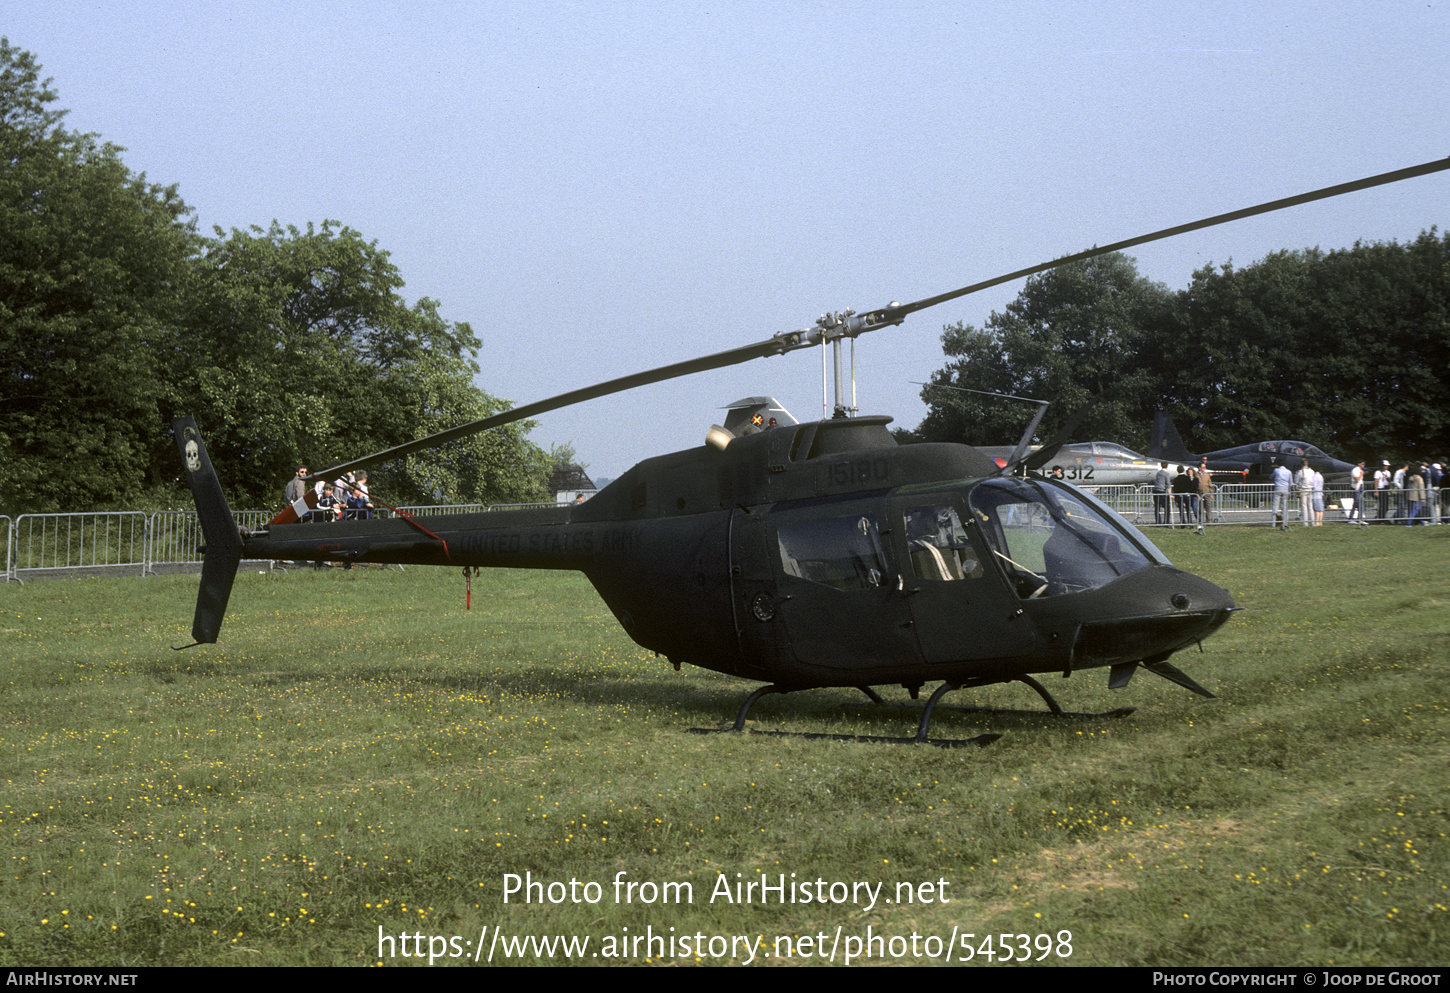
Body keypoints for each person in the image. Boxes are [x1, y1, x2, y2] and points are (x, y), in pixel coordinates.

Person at [1271, 460, 1292, 530]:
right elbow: (1291, 483)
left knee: (1275, 506)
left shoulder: (1276, 470)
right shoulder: (1289, 472)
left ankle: (1273, 523)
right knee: (1285, 507)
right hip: (1286, 489)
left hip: (1278, 488)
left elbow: (1271, 477)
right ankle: (1285, 522)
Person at [1195, 459, 1213, 533]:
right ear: (1199, 468)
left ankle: (1208, 521)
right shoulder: (1196, 475)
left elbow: (1210, 484)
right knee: (1200, 508)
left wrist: (1211, 493)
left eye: (1204, 467)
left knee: (1208, 507)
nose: (1204, 469)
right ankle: (1200, 522)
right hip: (1199, 493)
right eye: (1203, 467)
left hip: (1207, 493)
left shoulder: (1206, 475)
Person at [1296, 460, 1315, 527]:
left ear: (1301, 465)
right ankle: (1312, 522)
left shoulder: (1301, 472)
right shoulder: (1312, 471)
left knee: (1304, 506)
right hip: (1310, 489)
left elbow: (1297, 481)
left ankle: (1305, 522)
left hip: (1304, 489)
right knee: (1310, 506)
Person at [1348, 460, 1367, 527]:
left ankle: (1360, 518)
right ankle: (1352, 518)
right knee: (1357, 503)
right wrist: (1361, 474)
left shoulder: (1360, 470)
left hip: (1360, 487)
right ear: (1358, 464)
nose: (1363, 465)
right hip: (1356, 488)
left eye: (1364, 464)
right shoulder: (1355, 470)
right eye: (1362, 464)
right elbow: (1357, 479)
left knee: (1360, 503)